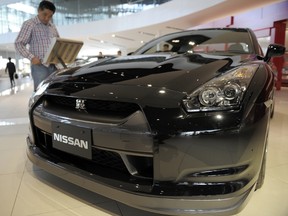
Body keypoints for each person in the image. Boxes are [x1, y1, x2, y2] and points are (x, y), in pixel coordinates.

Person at [15, 0, 60, 91]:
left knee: (54, 91)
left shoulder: (52, 27)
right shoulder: (29, 24)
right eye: (45, 14)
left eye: (50, 16)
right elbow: (19, 44)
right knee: (40, 93)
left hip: (54, 66)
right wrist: (32, 58)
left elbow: (58, 43)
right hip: (40, 66)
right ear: (39, 10)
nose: (47, 18)